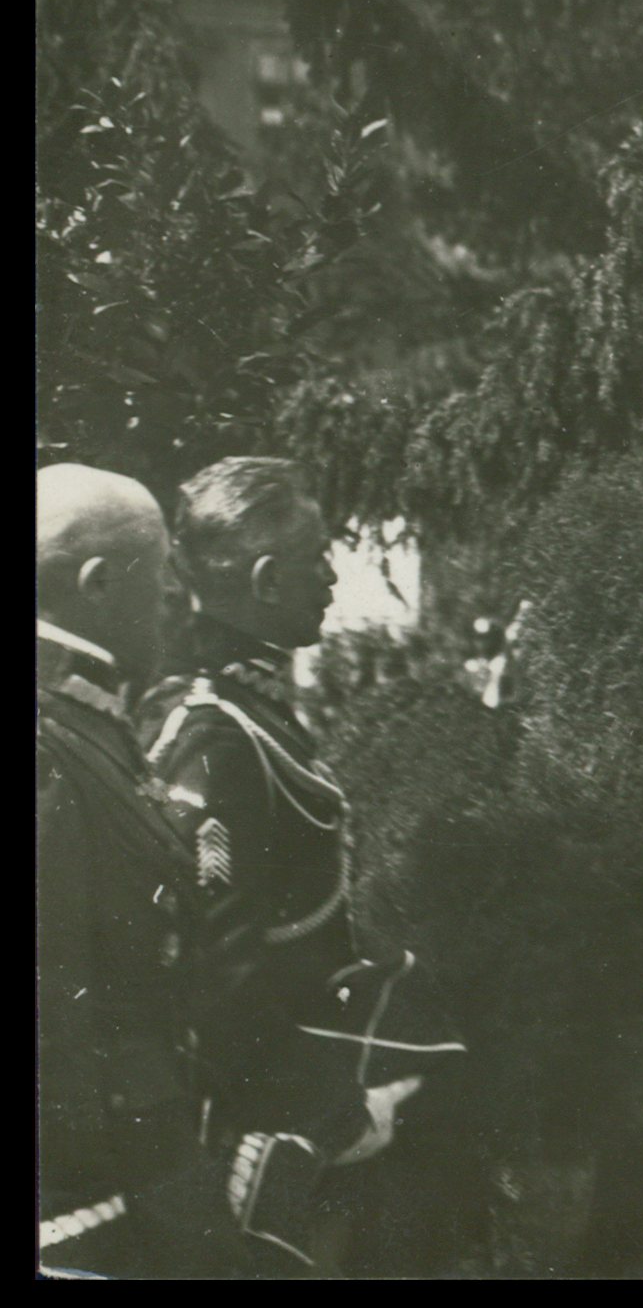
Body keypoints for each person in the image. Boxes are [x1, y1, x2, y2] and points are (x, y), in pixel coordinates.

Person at [144, 461, 448, 1272]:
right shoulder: (217, 733)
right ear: (267, 579)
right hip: (268, 1122)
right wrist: (329, 1114)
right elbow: (222, 977)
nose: (334, 570)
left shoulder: (256, 710)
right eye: (318, 553)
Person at [38, 464, 280, 1277]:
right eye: (159, 574)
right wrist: (75, 1214)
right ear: (98, 583)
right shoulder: (47, 743)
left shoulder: (88, 719)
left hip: (146, 1151)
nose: (175, 600)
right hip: (100, 1190)